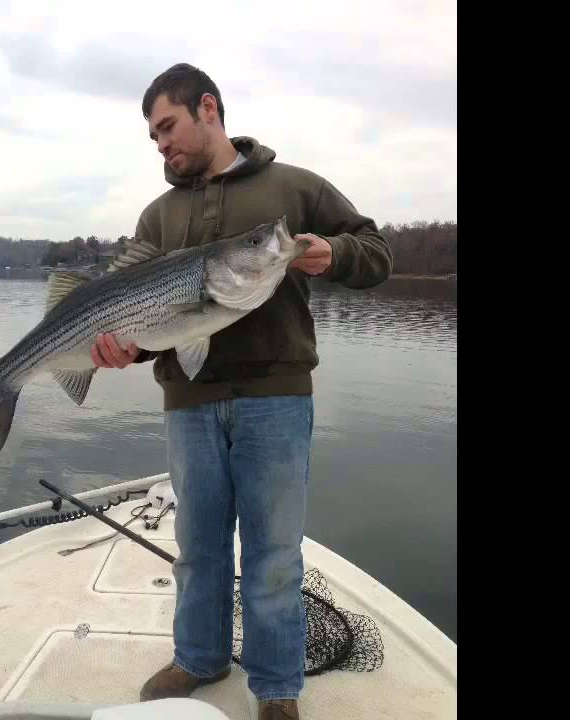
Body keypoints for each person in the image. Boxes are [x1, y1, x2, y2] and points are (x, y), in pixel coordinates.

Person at [90, 63, 392, 720]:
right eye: (152, 137)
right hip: (189, 406)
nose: (161, 144)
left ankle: (277, 688)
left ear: (208, 109)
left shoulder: (294, 188)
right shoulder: (158, 215)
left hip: (276, 402)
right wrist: (125, 347)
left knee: (274, 555)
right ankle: (199, 659)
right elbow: (150, 324)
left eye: (167, 127)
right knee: (198, 550)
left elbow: (376, 252)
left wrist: (333, 253)